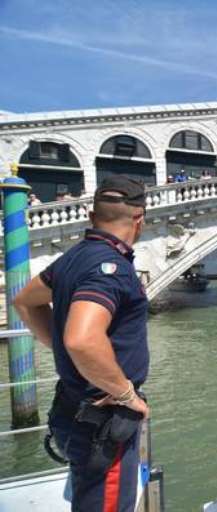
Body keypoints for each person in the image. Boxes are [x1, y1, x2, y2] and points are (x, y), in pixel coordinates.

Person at [13, 175, 150, 510]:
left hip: (71, 408)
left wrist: (65, 352)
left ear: (92, 218)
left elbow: (25, 302)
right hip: (103, 420)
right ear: (139, 219)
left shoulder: (73, 258)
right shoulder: (112, 268)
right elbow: (82, 339)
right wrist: (126, 394)